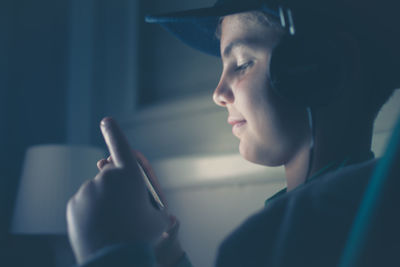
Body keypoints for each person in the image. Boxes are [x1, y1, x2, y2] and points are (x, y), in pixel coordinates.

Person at [66, 0, 400, 266]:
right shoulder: (363, 210)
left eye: (241, 63)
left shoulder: (283, 239)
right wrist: (165, 253)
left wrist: (112, 253)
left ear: (323, 66)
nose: (218, 92)